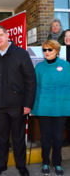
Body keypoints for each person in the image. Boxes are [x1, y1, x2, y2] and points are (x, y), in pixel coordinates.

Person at [0, 25, 36, 176]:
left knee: (18, 137)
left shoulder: (21, 53)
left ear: (7, 35)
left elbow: (31, 80)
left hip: (18, 105)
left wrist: (28, 104)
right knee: (1, 138)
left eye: (0, 35)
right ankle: (0, 165)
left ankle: (21, 165)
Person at [31, 40, 70, 176]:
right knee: (45, 137)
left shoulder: (66, 66)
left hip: (60, 107)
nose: (47, 52)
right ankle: (46, 162)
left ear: (57, 51)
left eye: (50, 49)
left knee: (58, 137)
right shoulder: (39, 67)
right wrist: (34, 107)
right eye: (44, 50)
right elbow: (36, 88)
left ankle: (57, 163)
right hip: (44, 107)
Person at [62, 29, 70, 147]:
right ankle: (68, 138)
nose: (67, 38)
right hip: (64, 89)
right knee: (67, 116)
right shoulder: (62, 51)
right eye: (66, 36)